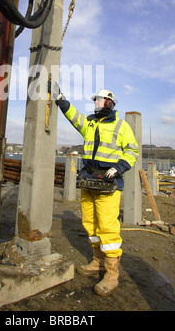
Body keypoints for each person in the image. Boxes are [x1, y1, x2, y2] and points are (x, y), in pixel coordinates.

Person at [53, 84, 139, 296]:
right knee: (90, 222)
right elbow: (74, 117)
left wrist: (118, 168)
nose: (95, 104)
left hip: (108, 183)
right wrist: (61, 99)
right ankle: (97, 262)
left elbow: (132, 151)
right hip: (90, 179)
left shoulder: (121, 126)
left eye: (98, 101)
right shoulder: (89, 124)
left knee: (108, 227)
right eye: (95, 101)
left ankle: (111, 274)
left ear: (109, 102)